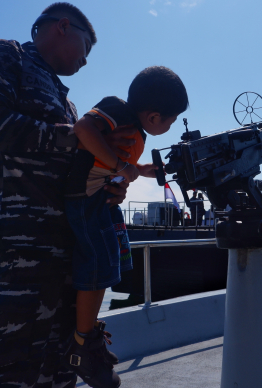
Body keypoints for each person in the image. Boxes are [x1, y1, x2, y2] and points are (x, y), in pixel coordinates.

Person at [0, 3, 133, 387]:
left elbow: (72, 164)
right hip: (27, 246)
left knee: (61, 367)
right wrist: (73, 138)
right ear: (63, 27)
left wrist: (105, 184)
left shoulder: (67, 102)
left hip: (71, 247)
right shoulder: (4, 55)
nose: (86, 62)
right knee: (13, 367)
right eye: (86, 49)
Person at [62, 66, 189, 387]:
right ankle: (82, 342)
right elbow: (83, 128)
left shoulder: (137, 129)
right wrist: (120, 166)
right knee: (99, 263)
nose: (170, 126)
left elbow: (125, 163)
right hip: (86, 197)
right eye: (171, 120)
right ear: (154, 116)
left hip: (102, 198)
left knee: (114, 261)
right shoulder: (117, 109)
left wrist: (143, 170)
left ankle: (86, 331)